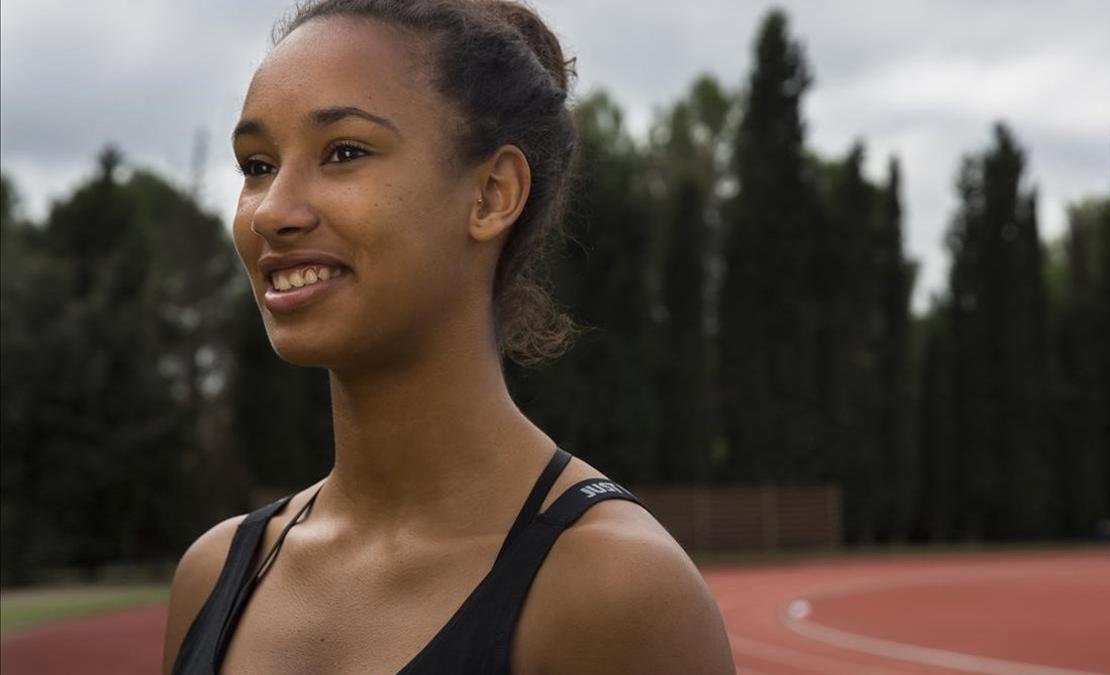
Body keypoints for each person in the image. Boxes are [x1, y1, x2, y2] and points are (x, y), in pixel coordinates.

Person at [161, 1, 736, 673]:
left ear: (492, 194)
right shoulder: (214, 575)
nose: (273, 212)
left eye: (344, 152)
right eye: (257, 165)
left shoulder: (615, 591)